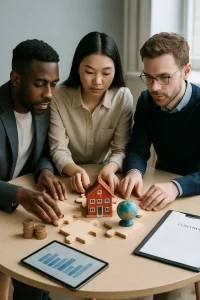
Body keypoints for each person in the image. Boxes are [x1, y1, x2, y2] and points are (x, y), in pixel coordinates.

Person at [0, 39, 67, 299]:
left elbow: (41, 155)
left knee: (38, 280)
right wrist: (18, 194)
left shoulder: (43, 107)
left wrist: (45, 172)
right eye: (40, 84)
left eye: (53, 84)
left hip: (20, 218)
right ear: (16, 79)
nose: (49, 93)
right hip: (9, 206)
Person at [120, 32, 199, 211]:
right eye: (148, 77)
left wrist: (175, 187)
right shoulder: (147, 101)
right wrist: (134, 172)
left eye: (164, 77)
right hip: (160, 191)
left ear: (186, 71)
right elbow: (137, 148)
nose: (154, 87)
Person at [49, 31, 134, 193]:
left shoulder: (122, 97)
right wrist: (75, 170)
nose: (97, 81)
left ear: (115, 71)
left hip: (104, 169)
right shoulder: (59, 96)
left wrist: (110, 169)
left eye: (106, 73)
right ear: (78, 68)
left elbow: (121, 148)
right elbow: (58, 148)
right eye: (89, 72)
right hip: (65, 173)